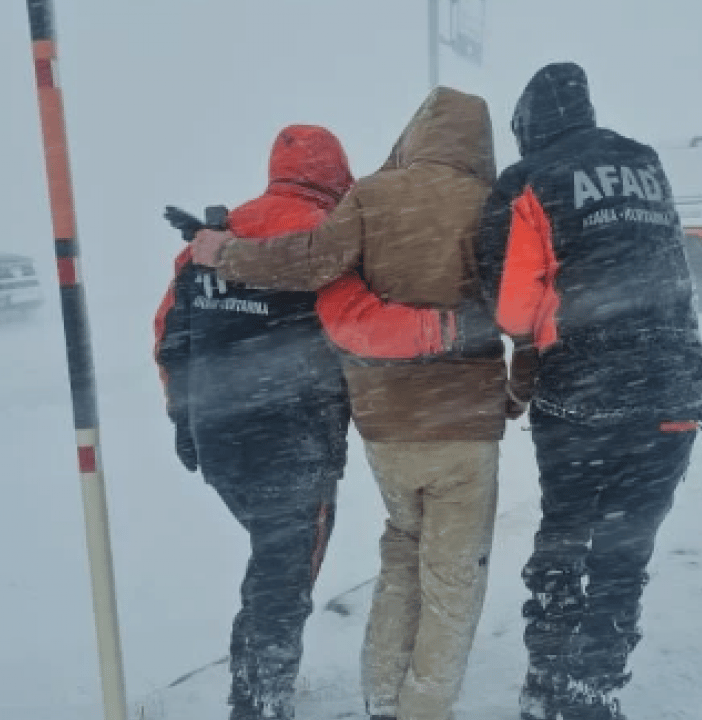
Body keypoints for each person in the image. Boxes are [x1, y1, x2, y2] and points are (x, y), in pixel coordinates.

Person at [192, 86, 507, 720]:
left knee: (400, 551)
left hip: (371, 426)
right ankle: (418, 706)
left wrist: (227, 255)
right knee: (449, 575)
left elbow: (298, 267)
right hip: (448, 423)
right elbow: (522, 306)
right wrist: (508, 379)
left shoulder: (362, 197)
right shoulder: (491, 203)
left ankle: (379, 693)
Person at [475, 63, 702, 720]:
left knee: (565, 534)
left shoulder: (527, 181)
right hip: (673, 388)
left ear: (528, 123)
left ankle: (548, 680)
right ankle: (594, 690)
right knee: (624, 551)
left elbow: (512, 310)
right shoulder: (642, 161)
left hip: (581, 397)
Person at [153, 125, 356, 720]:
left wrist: (181, 414)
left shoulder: (211, 238)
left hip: (218, 436)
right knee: (285, 573)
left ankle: (258, 685)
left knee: (272, 558)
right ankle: (260, 700)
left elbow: (170, 334)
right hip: (294, 441)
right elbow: (355, 330)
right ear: (337, 173)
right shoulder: (328, 240)